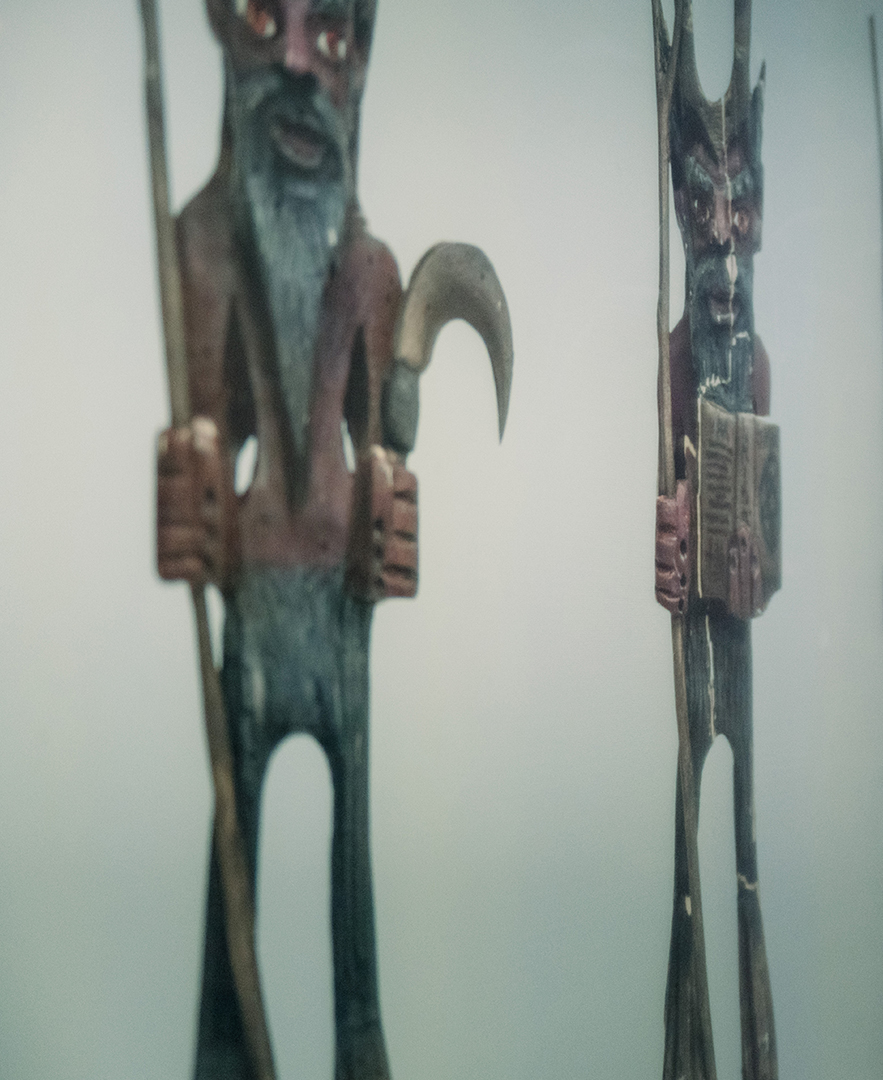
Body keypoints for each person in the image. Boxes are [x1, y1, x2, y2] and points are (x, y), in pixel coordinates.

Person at [154, 1, 507, 1075]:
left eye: (337, 33)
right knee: (236, 841)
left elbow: (382, 444)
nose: (305, 65)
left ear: (366, 59)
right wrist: (191, 488)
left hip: (339, 611)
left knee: (351, 854)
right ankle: (226, 1038)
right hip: (258, 598)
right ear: (221, 24)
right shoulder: (204, 244)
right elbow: (204, 430)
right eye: (271, 19)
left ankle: (360, 1038)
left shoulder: (372, 272)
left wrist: (391, 495)